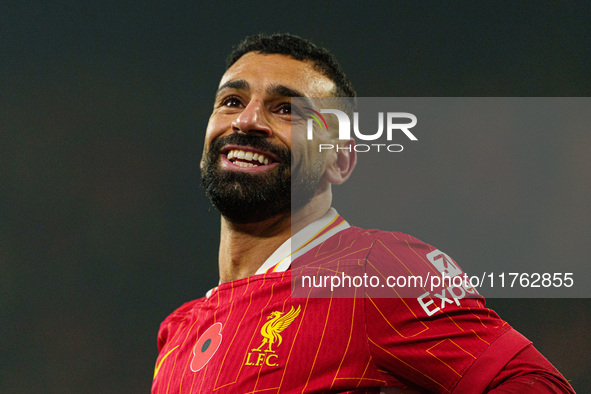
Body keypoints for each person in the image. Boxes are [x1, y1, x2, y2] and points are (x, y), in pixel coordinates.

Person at [152, 33, 574, 393]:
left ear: (340, 161)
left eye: (287, 110)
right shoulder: (178, 331)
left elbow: (536, 384)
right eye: (231, 100)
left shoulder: (374, 270)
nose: (247, 120)